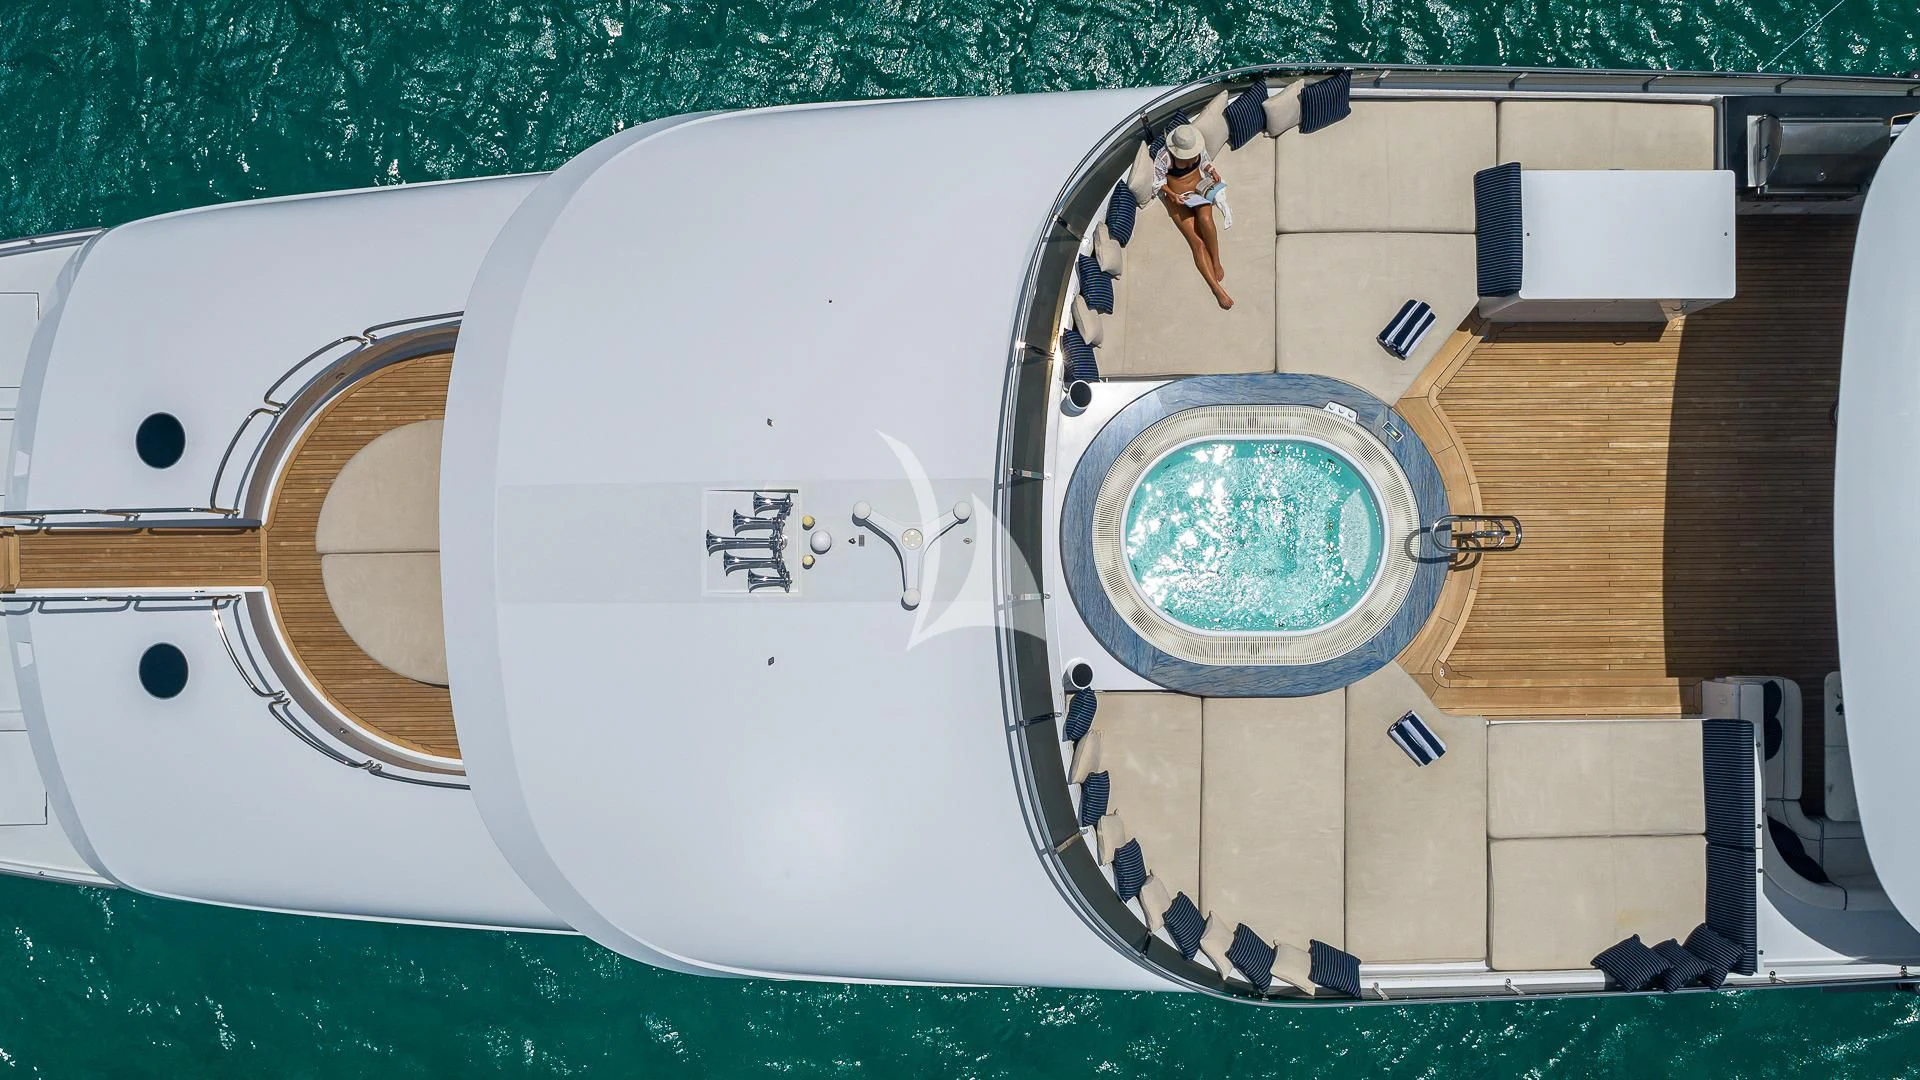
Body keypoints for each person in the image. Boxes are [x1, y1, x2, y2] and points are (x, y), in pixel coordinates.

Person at [1155, 124, 1233, 310]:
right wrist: (1172, 195)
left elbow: (1204, 161)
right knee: (1197, 243)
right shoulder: (1164, 157)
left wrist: (1212, 171)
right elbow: (1157, 183)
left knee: (1206, 220)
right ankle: (1216, 289)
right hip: (1178, 199)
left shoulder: (1196, 145)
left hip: (1199, 189)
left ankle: (1216, 261)